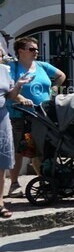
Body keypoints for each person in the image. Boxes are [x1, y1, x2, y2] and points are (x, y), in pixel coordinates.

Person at [9, 36, 67, 197]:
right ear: (20, 51)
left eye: (36, 49)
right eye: (32, 49)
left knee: (41, 148)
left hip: (42, 114)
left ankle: (44, 180)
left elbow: (61, 75)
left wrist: (54, 90)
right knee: (18, 150)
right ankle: (14, 183)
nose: (36, 52)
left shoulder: (42, 66)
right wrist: (21, 99)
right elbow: (9, 89)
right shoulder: (13, 67)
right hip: (20, 114)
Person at [0, 66, 31, 218]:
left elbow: (11, 95)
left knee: (1, 160)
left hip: (2, 116)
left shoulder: (3, 70)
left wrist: (18, 85)